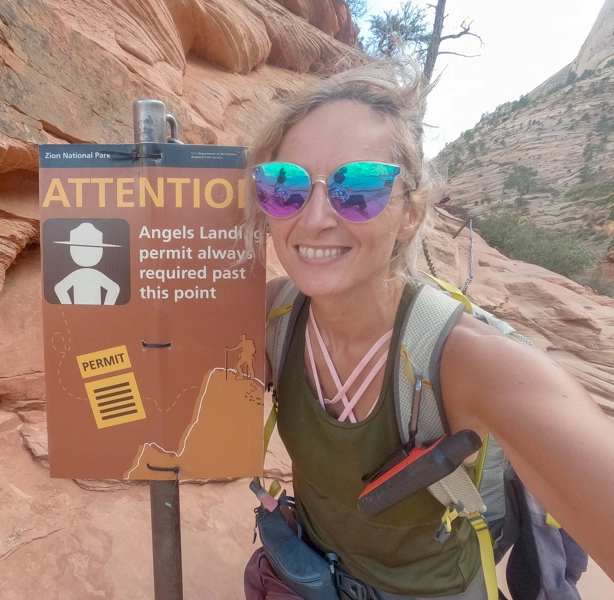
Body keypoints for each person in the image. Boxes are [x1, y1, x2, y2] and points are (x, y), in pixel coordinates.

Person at [241, 58, 614, 599]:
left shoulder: (471, 362)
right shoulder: (274, 316)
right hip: (310, 575)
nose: (315, 217)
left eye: (359, 187)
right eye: (285, 184)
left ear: (411, 214)